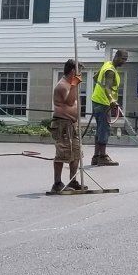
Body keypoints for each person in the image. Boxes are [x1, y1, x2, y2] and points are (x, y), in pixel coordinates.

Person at [50, 60, 85, 193]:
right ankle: (57, 182)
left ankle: (73, 180)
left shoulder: (70, 84)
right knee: (62, 153)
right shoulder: (63, 85)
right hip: (62, 124)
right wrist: (75, 83)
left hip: (72, 124)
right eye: (79, 71)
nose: (80, 74)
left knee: (76, 153)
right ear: (72, 71)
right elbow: (70, 102)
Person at [90, 50, 128, 166]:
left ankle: (96, 157)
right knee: (104, 129)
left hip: (97, 101)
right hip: (103, 103)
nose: (124, 61)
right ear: (116, 56)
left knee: (100, 128)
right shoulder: (111, 71)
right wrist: (111, 100)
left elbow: (95, 78)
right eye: (123, 58)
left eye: (126, 59)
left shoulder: (107, 65)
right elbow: (107, 87)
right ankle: (103, 156)